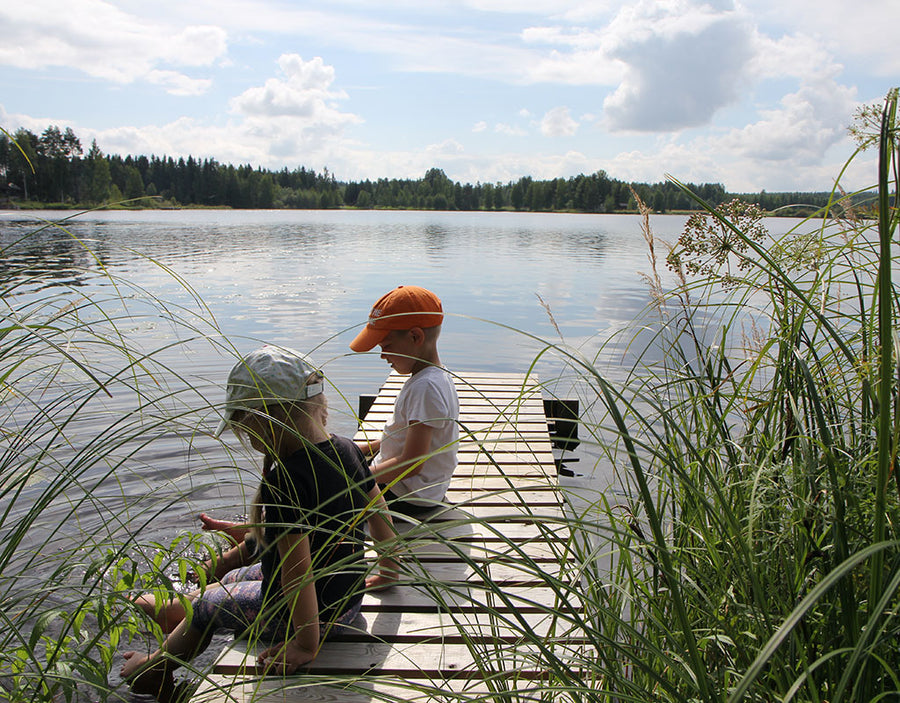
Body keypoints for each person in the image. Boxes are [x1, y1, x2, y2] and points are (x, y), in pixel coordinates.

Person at [122, 345, 398, 700]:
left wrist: (304, 644)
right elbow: (377, 512)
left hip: (309, 620)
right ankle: (176, 618)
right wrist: (390, 566)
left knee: (207, 606)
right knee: (234, 577)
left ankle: (154, 668)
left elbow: (298, 573)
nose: (248, 439)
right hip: (347, 602)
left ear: (265, 421)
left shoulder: (285, 482)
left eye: (245, 428)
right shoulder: (347, 449)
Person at [350, 285, 459, 516]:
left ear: (415, 336)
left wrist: (359, 479)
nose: (382, 355)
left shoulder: (425, 387)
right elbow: (408, 438)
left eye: (386, 346)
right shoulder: (434, 376)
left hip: (406, 495)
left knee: (324, 497)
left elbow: (412, 463)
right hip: (417, 490)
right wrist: (362, 449)